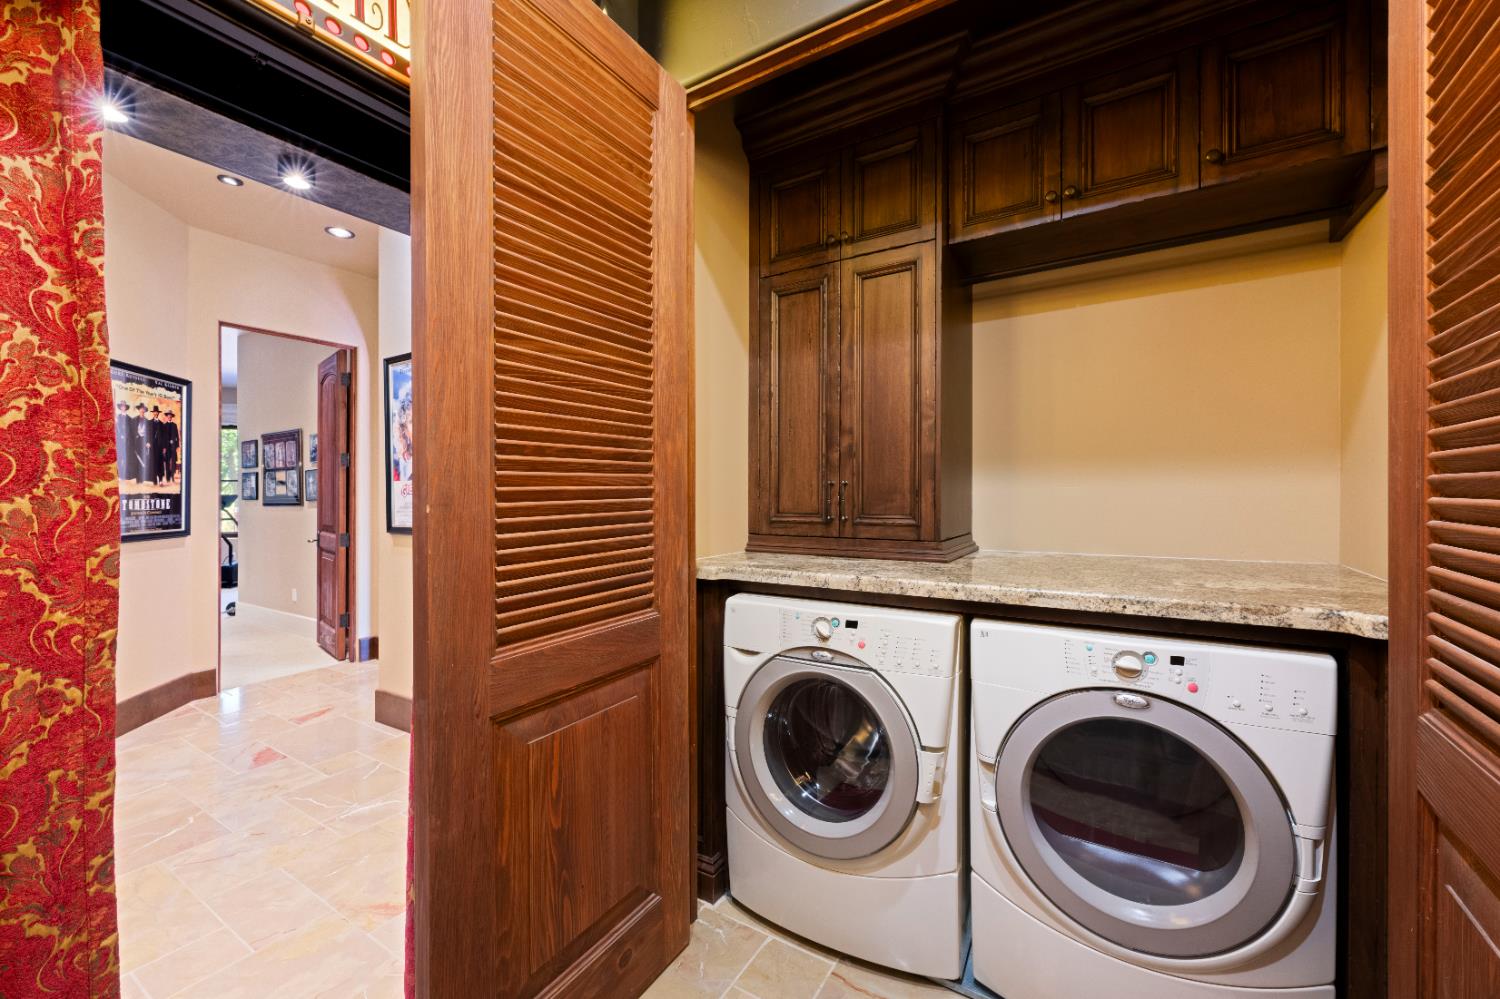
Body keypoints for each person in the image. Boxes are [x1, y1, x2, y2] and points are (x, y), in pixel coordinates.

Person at [130, 402, 150, 483]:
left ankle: (142, 478)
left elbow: (149, 433)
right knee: (136, 460)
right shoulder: (134, 420)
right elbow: (131, 432)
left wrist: (148, 442)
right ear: (139, 410)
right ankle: (137, 478)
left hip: (144, 442)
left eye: (143, 409)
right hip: (136, 442)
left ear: (145, 410)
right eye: (141, 409)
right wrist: (134, 438)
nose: (142, 410)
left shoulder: (147, 421)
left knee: (143, 458)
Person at [161, 410, 181, 484]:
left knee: (173, 462)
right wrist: (163, 447)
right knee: (167, 462)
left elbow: (177, 436)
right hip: (166, 447)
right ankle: (168, 478)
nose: (169, 416)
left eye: (170, 415)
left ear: (172, 417)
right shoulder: (164, 425)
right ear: (167, 416)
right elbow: (163, 438)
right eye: (168, 415)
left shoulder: (174, 425)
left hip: (173, 447)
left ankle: (172, 477)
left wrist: (177, 445)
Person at [114, 401, 130, 480]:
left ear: (126, 408)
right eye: (121, 406)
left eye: (124, 406)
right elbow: (117, 429)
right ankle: (119, 475)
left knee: (126, 458)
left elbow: (130, 430)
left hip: (127, 441)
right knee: (120, 458)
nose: (123, 408)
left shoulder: (129, 418)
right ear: (120, 408)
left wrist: (126, 436)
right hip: (120, 441)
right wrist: (120, 436)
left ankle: (125, 475)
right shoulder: (118, 417)